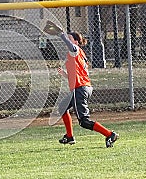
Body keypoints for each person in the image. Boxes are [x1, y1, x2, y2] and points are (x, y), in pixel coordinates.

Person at [43, 20, 119, 148]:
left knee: (84, 121)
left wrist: (61, 34)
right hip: (82, 87)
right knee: (62, 108)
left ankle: (110, 134)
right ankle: (69, 136)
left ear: (77, 42)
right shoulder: (77, 54)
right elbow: (77, 73)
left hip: (80, 89)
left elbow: (71, 46)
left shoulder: (76, 49)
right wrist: (66, 75)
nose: (68, 40)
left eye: (70, 38)